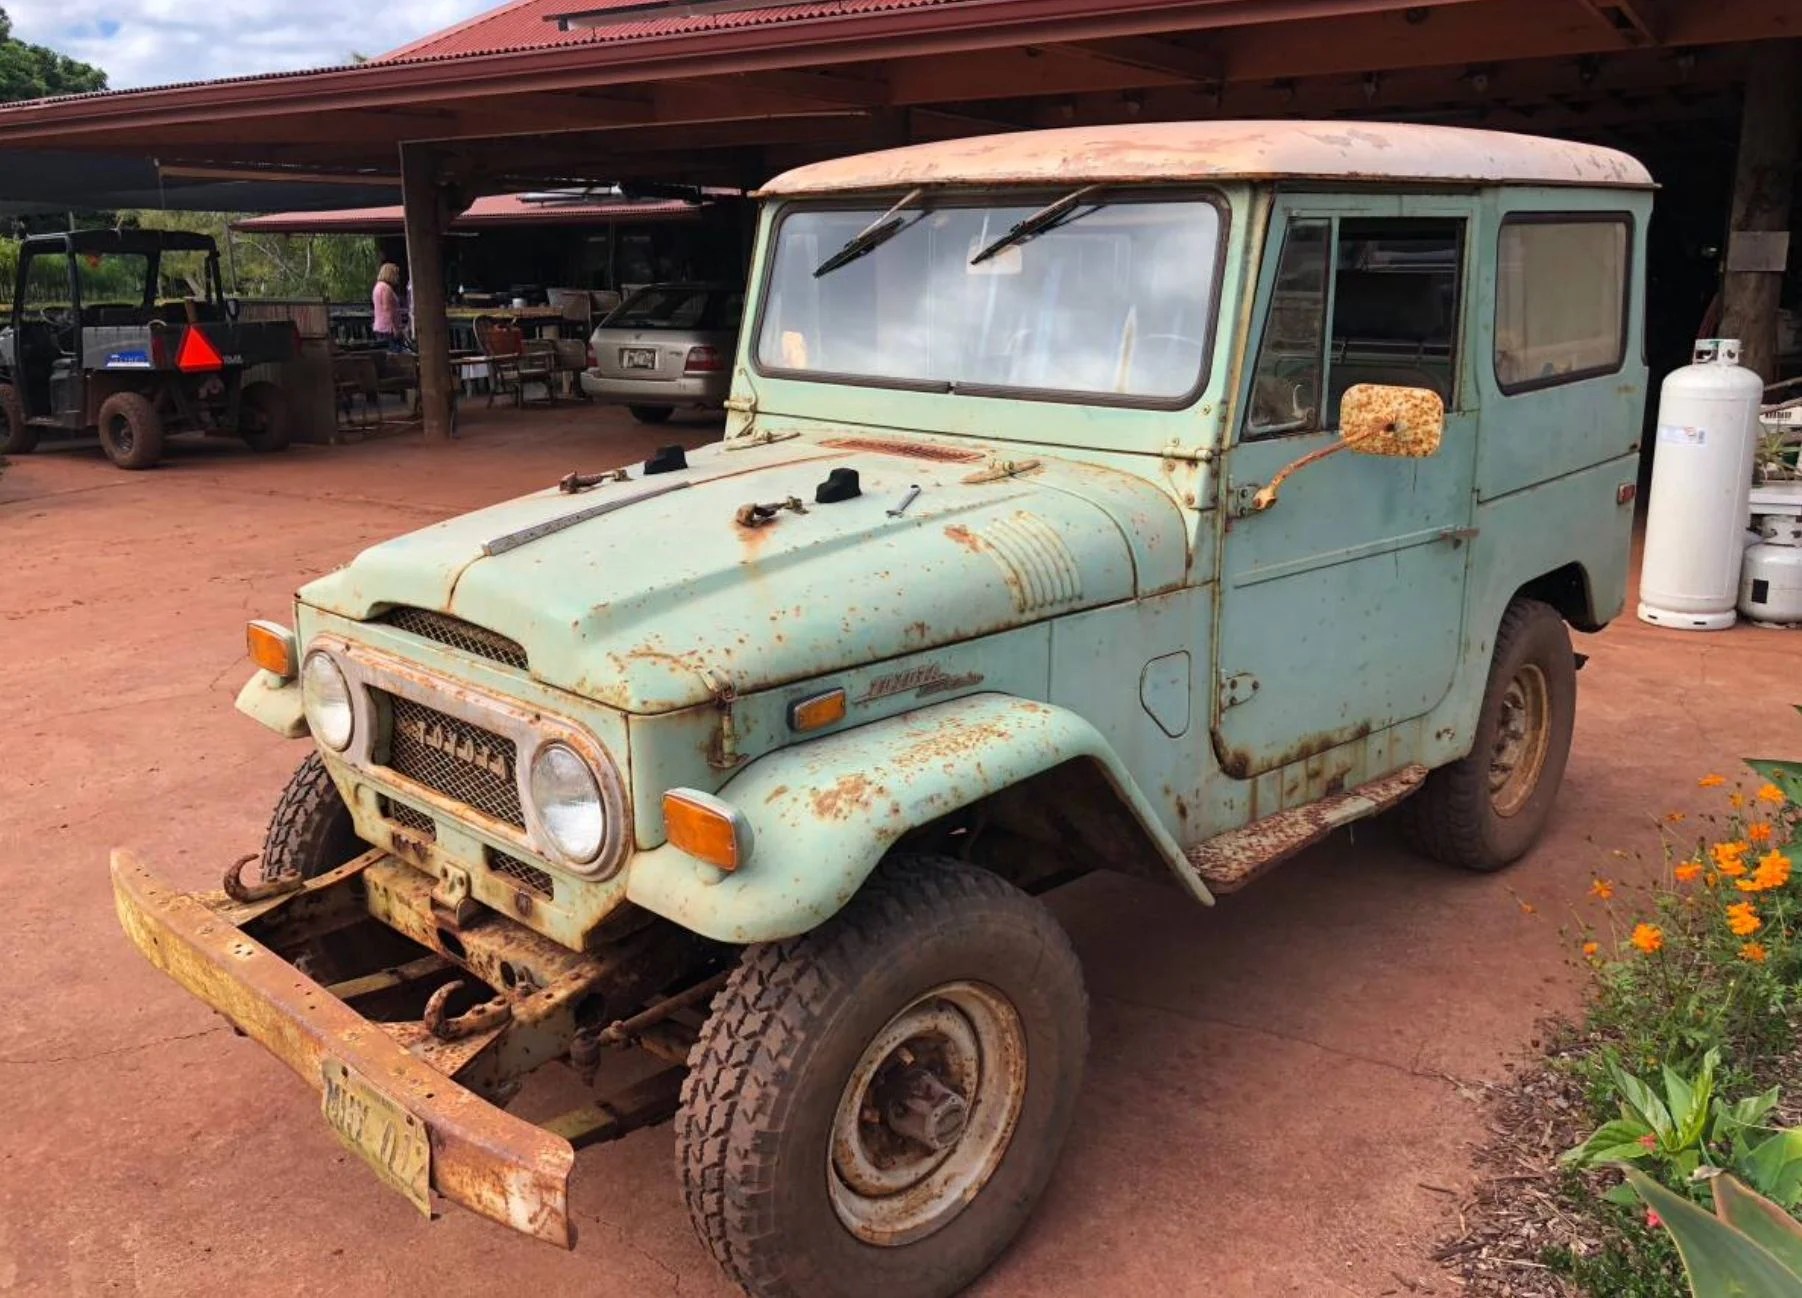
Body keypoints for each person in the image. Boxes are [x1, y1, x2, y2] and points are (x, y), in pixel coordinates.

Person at [372, 263, 406, 350]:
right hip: (388, 329)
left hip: (379, 326)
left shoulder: (377, 287)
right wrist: (395, 328)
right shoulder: (386, 289)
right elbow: (387, 309)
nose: (397, 277)